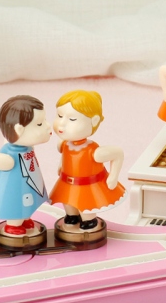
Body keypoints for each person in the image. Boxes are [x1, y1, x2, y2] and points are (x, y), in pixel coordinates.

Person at [0, 95, 52, 235]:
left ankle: (24, 219)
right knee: (16, 207)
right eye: (39, 124)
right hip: (14, 193)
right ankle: (13, 225)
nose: (48, 125)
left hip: (28, 186)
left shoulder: (26, 147)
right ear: (19, 130)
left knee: (27, 204)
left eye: (44, 120)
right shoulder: (9, 160)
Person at [49, 90, 125, 232]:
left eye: (72, 119)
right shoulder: (64, 143)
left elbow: (118, 153)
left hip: (87, 186)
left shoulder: (94, 151)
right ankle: (72, 216)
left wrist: (113, 176)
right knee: (68, 201)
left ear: (94, 121)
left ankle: (89, 221)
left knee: (86, 205)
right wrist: (61, 165)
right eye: (59, 116)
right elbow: (65, 156)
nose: (61, 124)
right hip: (67, 182)